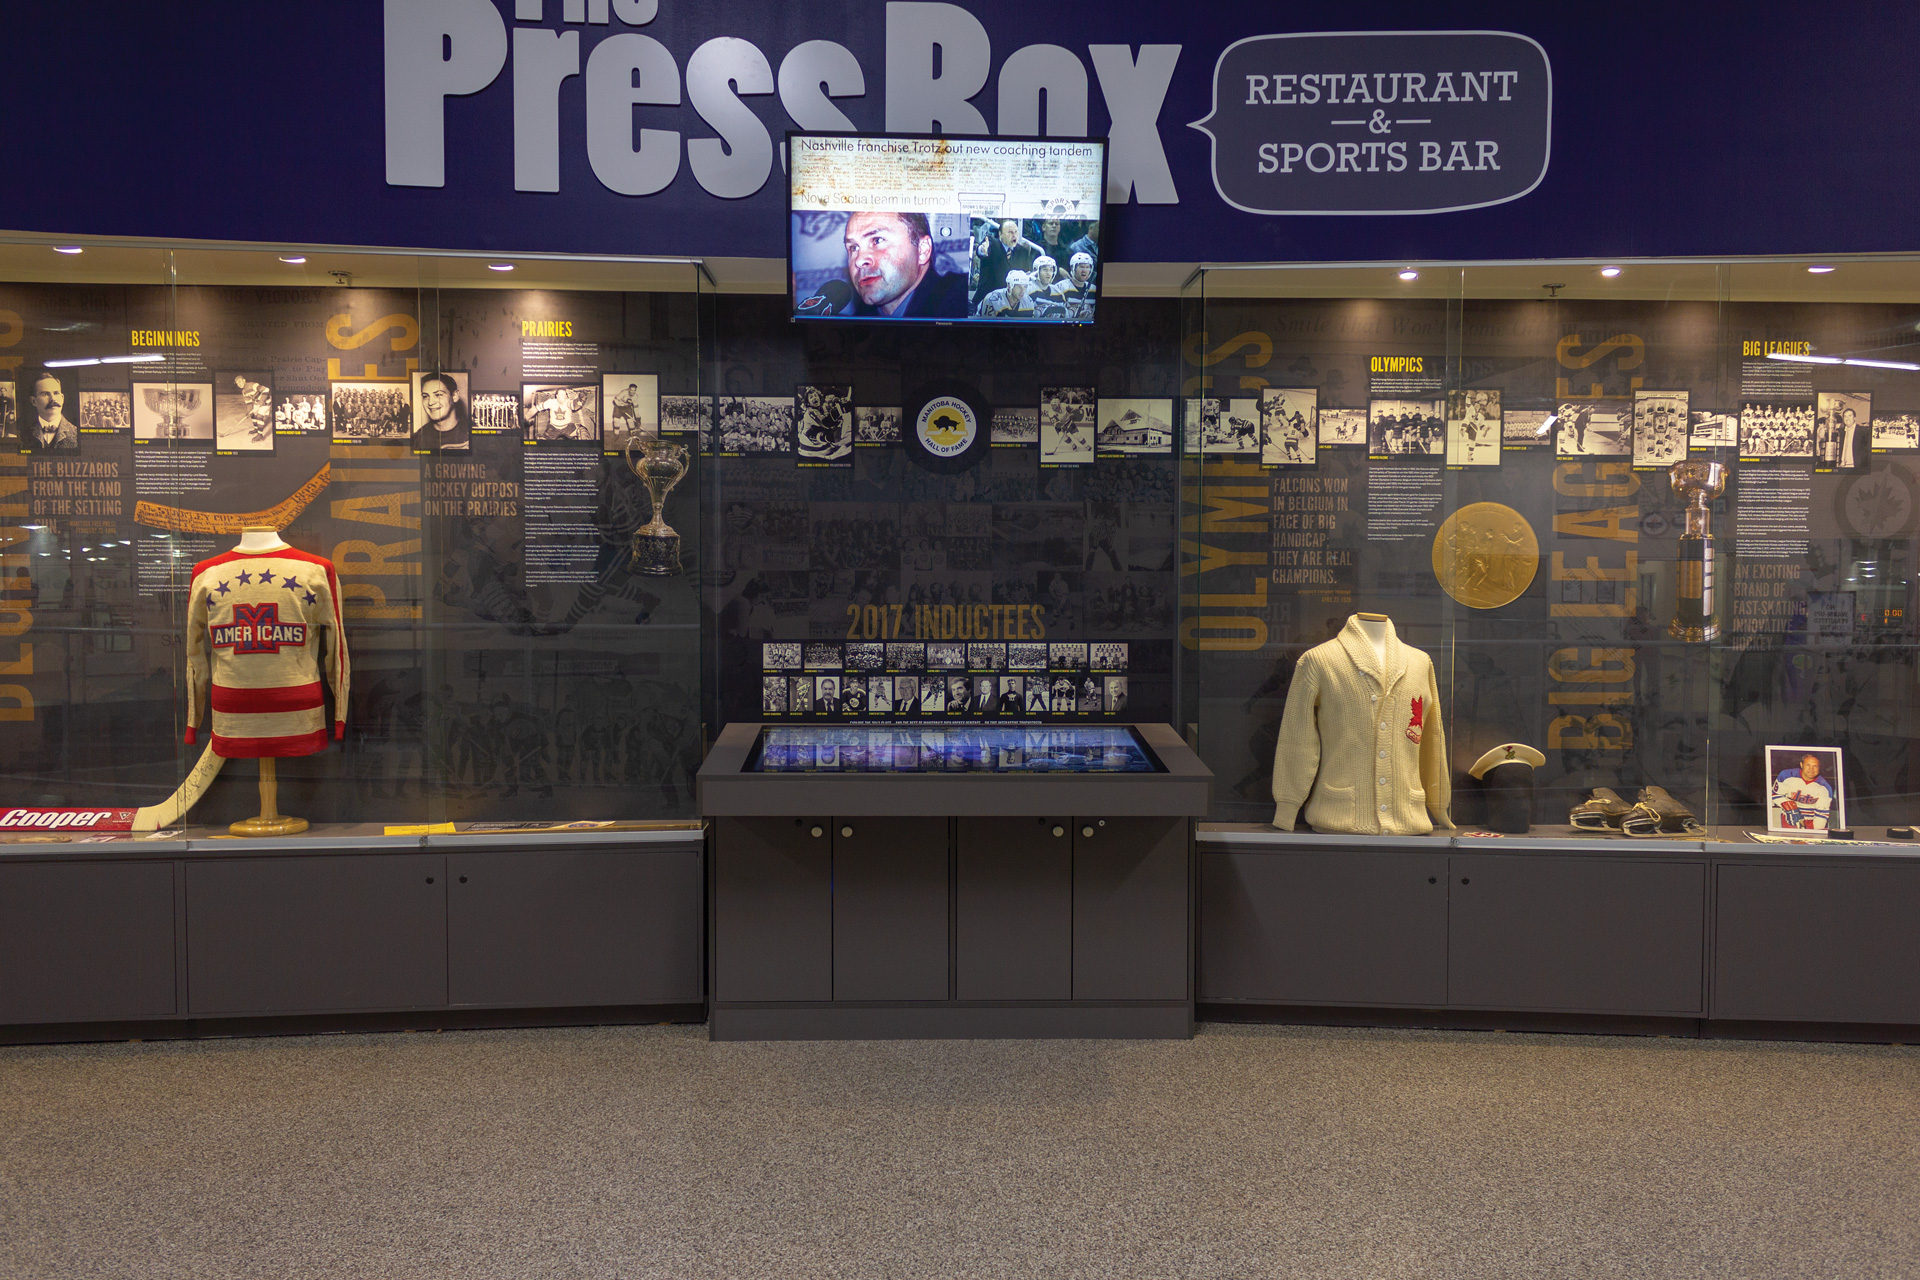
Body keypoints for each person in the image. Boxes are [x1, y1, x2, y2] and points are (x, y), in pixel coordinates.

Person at [836, 212, 966, 319]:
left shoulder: (962, 303)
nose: (859, 260)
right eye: (853, 248)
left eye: (877, 240)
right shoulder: (856, 326)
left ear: (922, 250)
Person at [972, 218, 1044, 305]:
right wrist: (982, 249)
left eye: (1016, 232)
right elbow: (982, 251)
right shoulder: (992, 243)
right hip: (987, 302)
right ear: (1000, 234)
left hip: (1011, 304)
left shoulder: (1023, 251)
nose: (1014, 235)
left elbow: (1025, 274)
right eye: (1010, 232)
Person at [1773, 752, 1835, 829]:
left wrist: (1813, 832)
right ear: (1801, 765)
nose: (1811, 769)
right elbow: (1774, 795)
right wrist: (1788, 805)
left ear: (1819, 768)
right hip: (1789, 817)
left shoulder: (1825, 788)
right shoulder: (1786, 775)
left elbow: (1821, 815)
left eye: (1815, 766)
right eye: (1808, 765)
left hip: (1811, 821)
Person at [415, 372, 472, 452]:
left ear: (454, 396)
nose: (430, 402)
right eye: (425, 396)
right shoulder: (418, 438)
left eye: (438, 395)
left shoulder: (470, 432)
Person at [24, 372, 78, 452]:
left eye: (56, 393)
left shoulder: (76, 434)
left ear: (62, 398)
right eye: (45, 394)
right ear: (33, 401)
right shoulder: (23, 434)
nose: (53, 399)